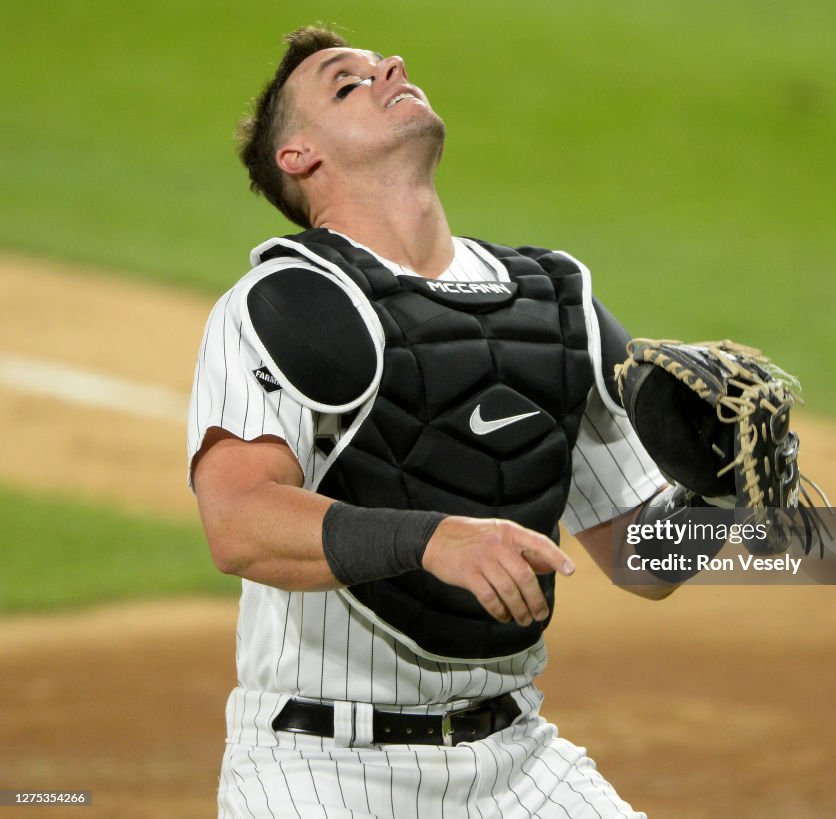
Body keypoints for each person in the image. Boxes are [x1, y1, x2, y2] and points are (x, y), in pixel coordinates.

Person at [188, 25, 678, 818]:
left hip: (519, 762)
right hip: (320, 770)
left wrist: (722, 493)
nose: (390, 70)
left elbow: (645, 561)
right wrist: (432, 537)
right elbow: (238, 521)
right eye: (345, 84)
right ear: (299, 157)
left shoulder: (554, 303)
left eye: (384, 63)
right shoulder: (286, 306)